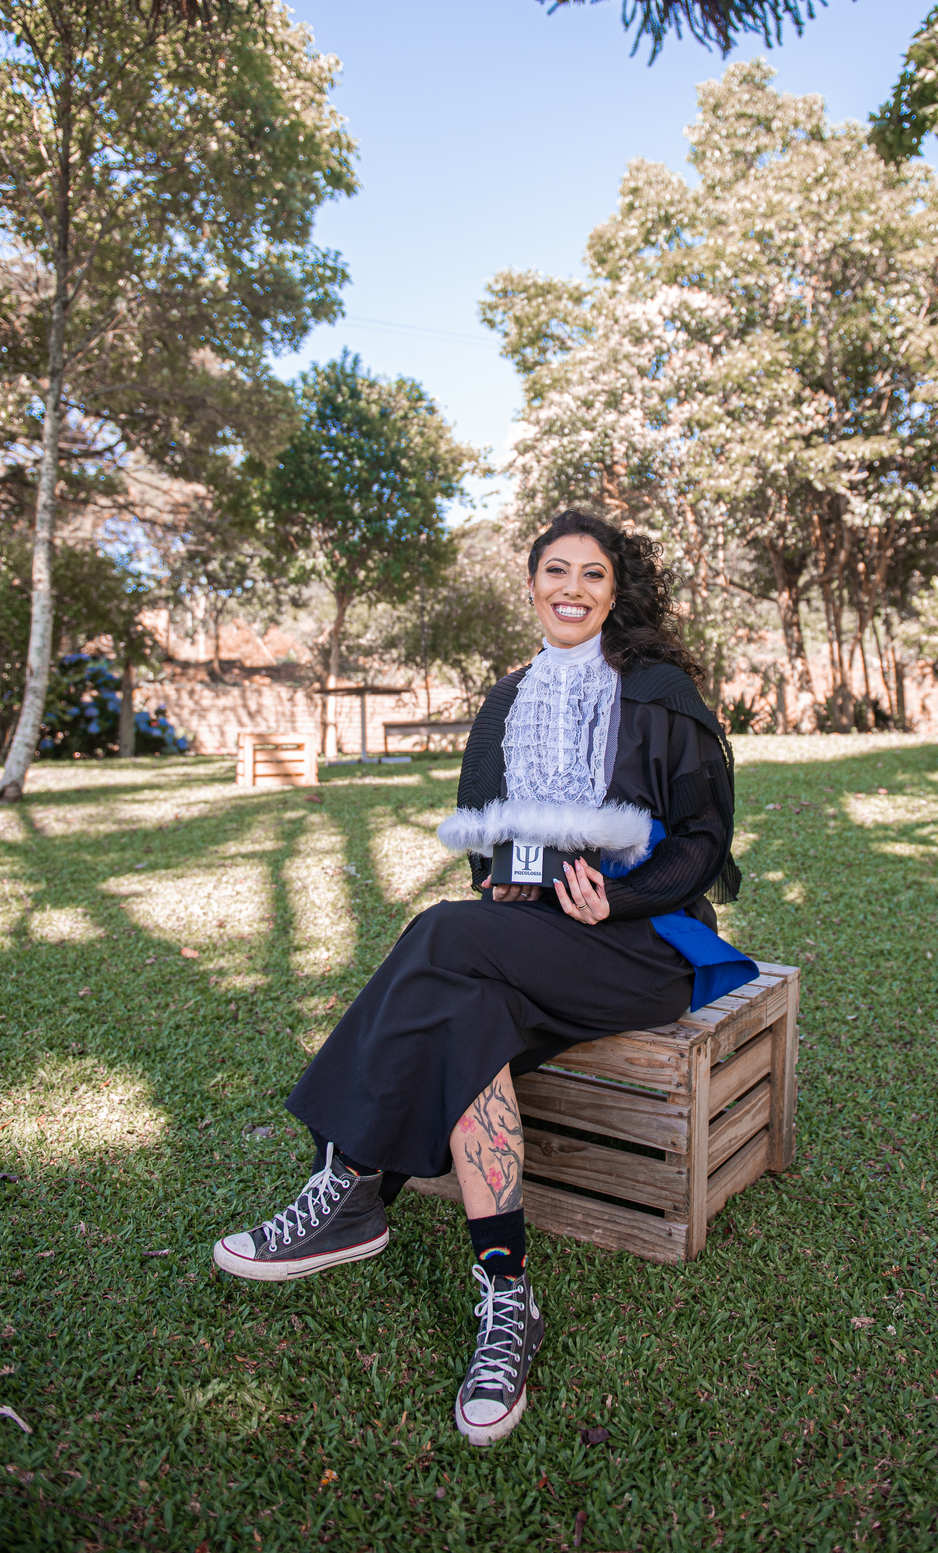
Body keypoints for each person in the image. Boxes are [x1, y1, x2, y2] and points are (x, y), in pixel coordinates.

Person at [211, 511, 755, 1446]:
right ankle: (508, 1294)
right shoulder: (506, 702)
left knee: (440, 936)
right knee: (463, 997)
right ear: (532, 584)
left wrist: (618, 899)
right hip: (528, 940)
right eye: (556, 571)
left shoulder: (659, 693)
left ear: (615, 590)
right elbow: (487, 837)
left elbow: (705, 842)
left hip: (643, 945)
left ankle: (351, 1182)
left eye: (593, 573)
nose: (573, 588)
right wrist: (503, 880)